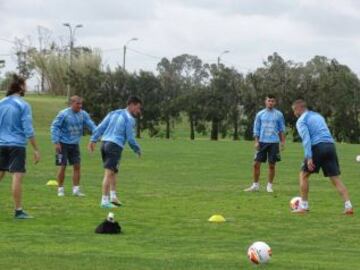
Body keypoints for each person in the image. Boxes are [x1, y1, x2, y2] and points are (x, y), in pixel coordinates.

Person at [292, 99, 353, 214]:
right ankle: (348, 206)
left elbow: (306, 139)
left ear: (298, 109)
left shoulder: (301, 120)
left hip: (317, 147)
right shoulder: (318, 116)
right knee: (335, 178)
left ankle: (303, 206)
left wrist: (309, 157)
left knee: (303, 175)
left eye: (294, 110)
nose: (294, 113)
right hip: (330, 146)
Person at [88, 96, 142, 209]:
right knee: (108, 173)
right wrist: (137, 149)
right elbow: (130, 138)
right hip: (114, 146)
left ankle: (113, 197)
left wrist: (93, 140)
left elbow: (101, 127)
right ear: (131, 105)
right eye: (137, 108)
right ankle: (104, 201)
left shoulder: (113, 113)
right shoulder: (130, 120)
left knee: (113, 172)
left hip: (104, 144)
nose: (138, 111)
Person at [0, 74, 41, 219]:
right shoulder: (23, 105)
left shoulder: (1, 102)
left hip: (1, 144)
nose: (27, 87)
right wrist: (36, 149)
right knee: (17, 176)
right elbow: (28, 129)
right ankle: (18, 211)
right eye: (26, 84)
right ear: (21, 86)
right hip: (17, 145)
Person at [51, 96, 96, 197]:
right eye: (77, 104)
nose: (80, 106)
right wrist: (56, 141)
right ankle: (60, 189)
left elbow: (91, 125)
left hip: (75, 144)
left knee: (77, 166)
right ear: (71, 104)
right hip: (62, 144)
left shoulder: (83, 114)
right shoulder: (63, 114)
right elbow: (55, 126)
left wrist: (97, 134)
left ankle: (76, 190)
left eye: (81, 104)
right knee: (62, 166)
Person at [244, 94, 286, 193]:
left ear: (275, 102)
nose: (270, 102)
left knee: (272, 165)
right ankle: (255, 185)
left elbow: (281, 130)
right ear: (265, 101)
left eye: (272, 101)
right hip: (262, 142)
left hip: (274, 143)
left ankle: (269, 186)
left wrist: (282, 142)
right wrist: (256, 142)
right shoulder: (260, 114)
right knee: (255, 164)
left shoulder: (279, 115)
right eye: (269, 100)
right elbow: (256, 129)